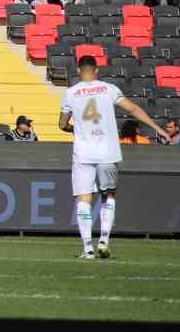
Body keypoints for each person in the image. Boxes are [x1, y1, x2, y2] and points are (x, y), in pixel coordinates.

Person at [60, 54, 170, 258]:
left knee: (84, 199)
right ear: (96, 71)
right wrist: (159, 129)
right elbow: (134, 109)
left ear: (78, 71)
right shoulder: (108, 89)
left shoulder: (71, 93)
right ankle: (104, 240)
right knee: (108, 195)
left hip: (83, 153)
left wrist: (73, 129)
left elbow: (61, 124)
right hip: (108, 152)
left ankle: (87, 248)